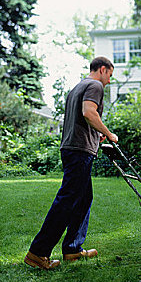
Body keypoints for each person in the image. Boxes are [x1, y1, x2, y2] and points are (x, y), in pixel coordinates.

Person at [24, 56, 118, 270]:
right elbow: (88, 112)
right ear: (102, 69)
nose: (109, 81)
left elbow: (81, 119)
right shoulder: (95, 85)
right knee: (67, 201)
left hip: (71, 148)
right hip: (79, 151)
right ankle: (38, 253)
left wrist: (96, 134)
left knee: (84, 199)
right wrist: (108, 133)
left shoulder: (77, 87)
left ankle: (73, 249)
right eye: (110, 75)